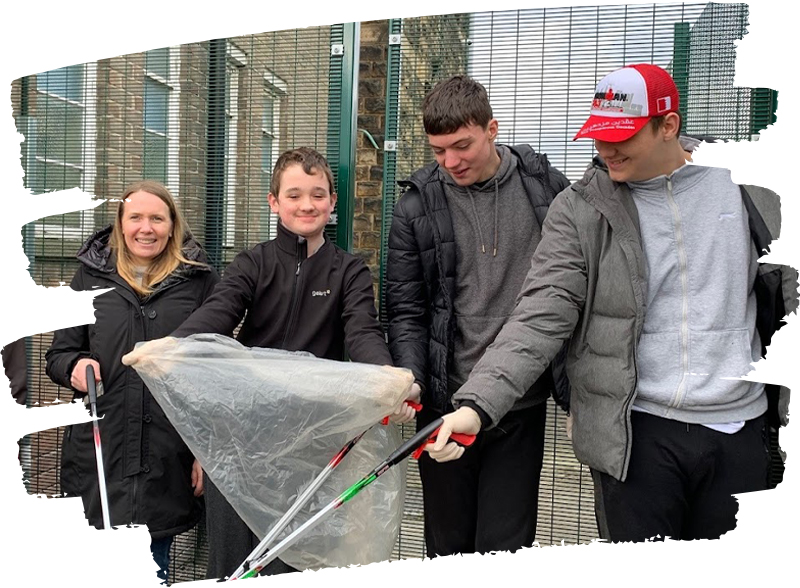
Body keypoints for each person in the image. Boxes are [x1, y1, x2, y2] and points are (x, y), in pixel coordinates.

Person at [427, 64, 798, 542]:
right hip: (634, 436)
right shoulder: (581, 209)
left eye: (622, 136)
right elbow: (540, 313)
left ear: (669, 125)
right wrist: (476, 406)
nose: (605, 150)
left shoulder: (754, 189)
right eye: (599, 135)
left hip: (741, 430)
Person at [171, 147, 404, 579]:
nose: (307, 205)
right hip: (238, 438)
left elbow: (363, 333)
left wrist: (389, 381)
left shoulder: (349, 271)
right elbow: (219, 314)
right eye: (294, 195)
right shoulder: (252, 263)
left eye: (318, 195)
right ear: (274, 201)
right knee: (231, 563)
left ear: (333, 202)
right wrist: (171, 348)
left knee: (294, 562)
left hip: (311, 442)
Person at [385, 75, 571, 557]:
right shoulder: (414, 205)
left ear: (492, 128)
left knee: (505, 548)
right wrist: (413, 378)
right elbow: (406, 309)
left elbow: (574, 295)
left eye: (462, 146)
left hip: (520, 404)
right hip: (445, 403)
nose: (450, 162)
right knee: (446, 546)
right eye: (438, 150)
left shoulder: (548, 189)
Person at [45, 180, 220, 582]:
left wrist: (204, 452)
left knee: (151, 564)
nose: (147, 227)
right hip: (100, 455)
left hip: (166, 457)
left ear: (172, 225)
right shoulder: (89, 279)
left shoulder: (200, 282)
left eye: (157, 218)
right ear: (120, 224)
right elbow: (58, 354)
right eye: (135, 217)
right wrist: (74, 366)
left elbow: (215, 374)